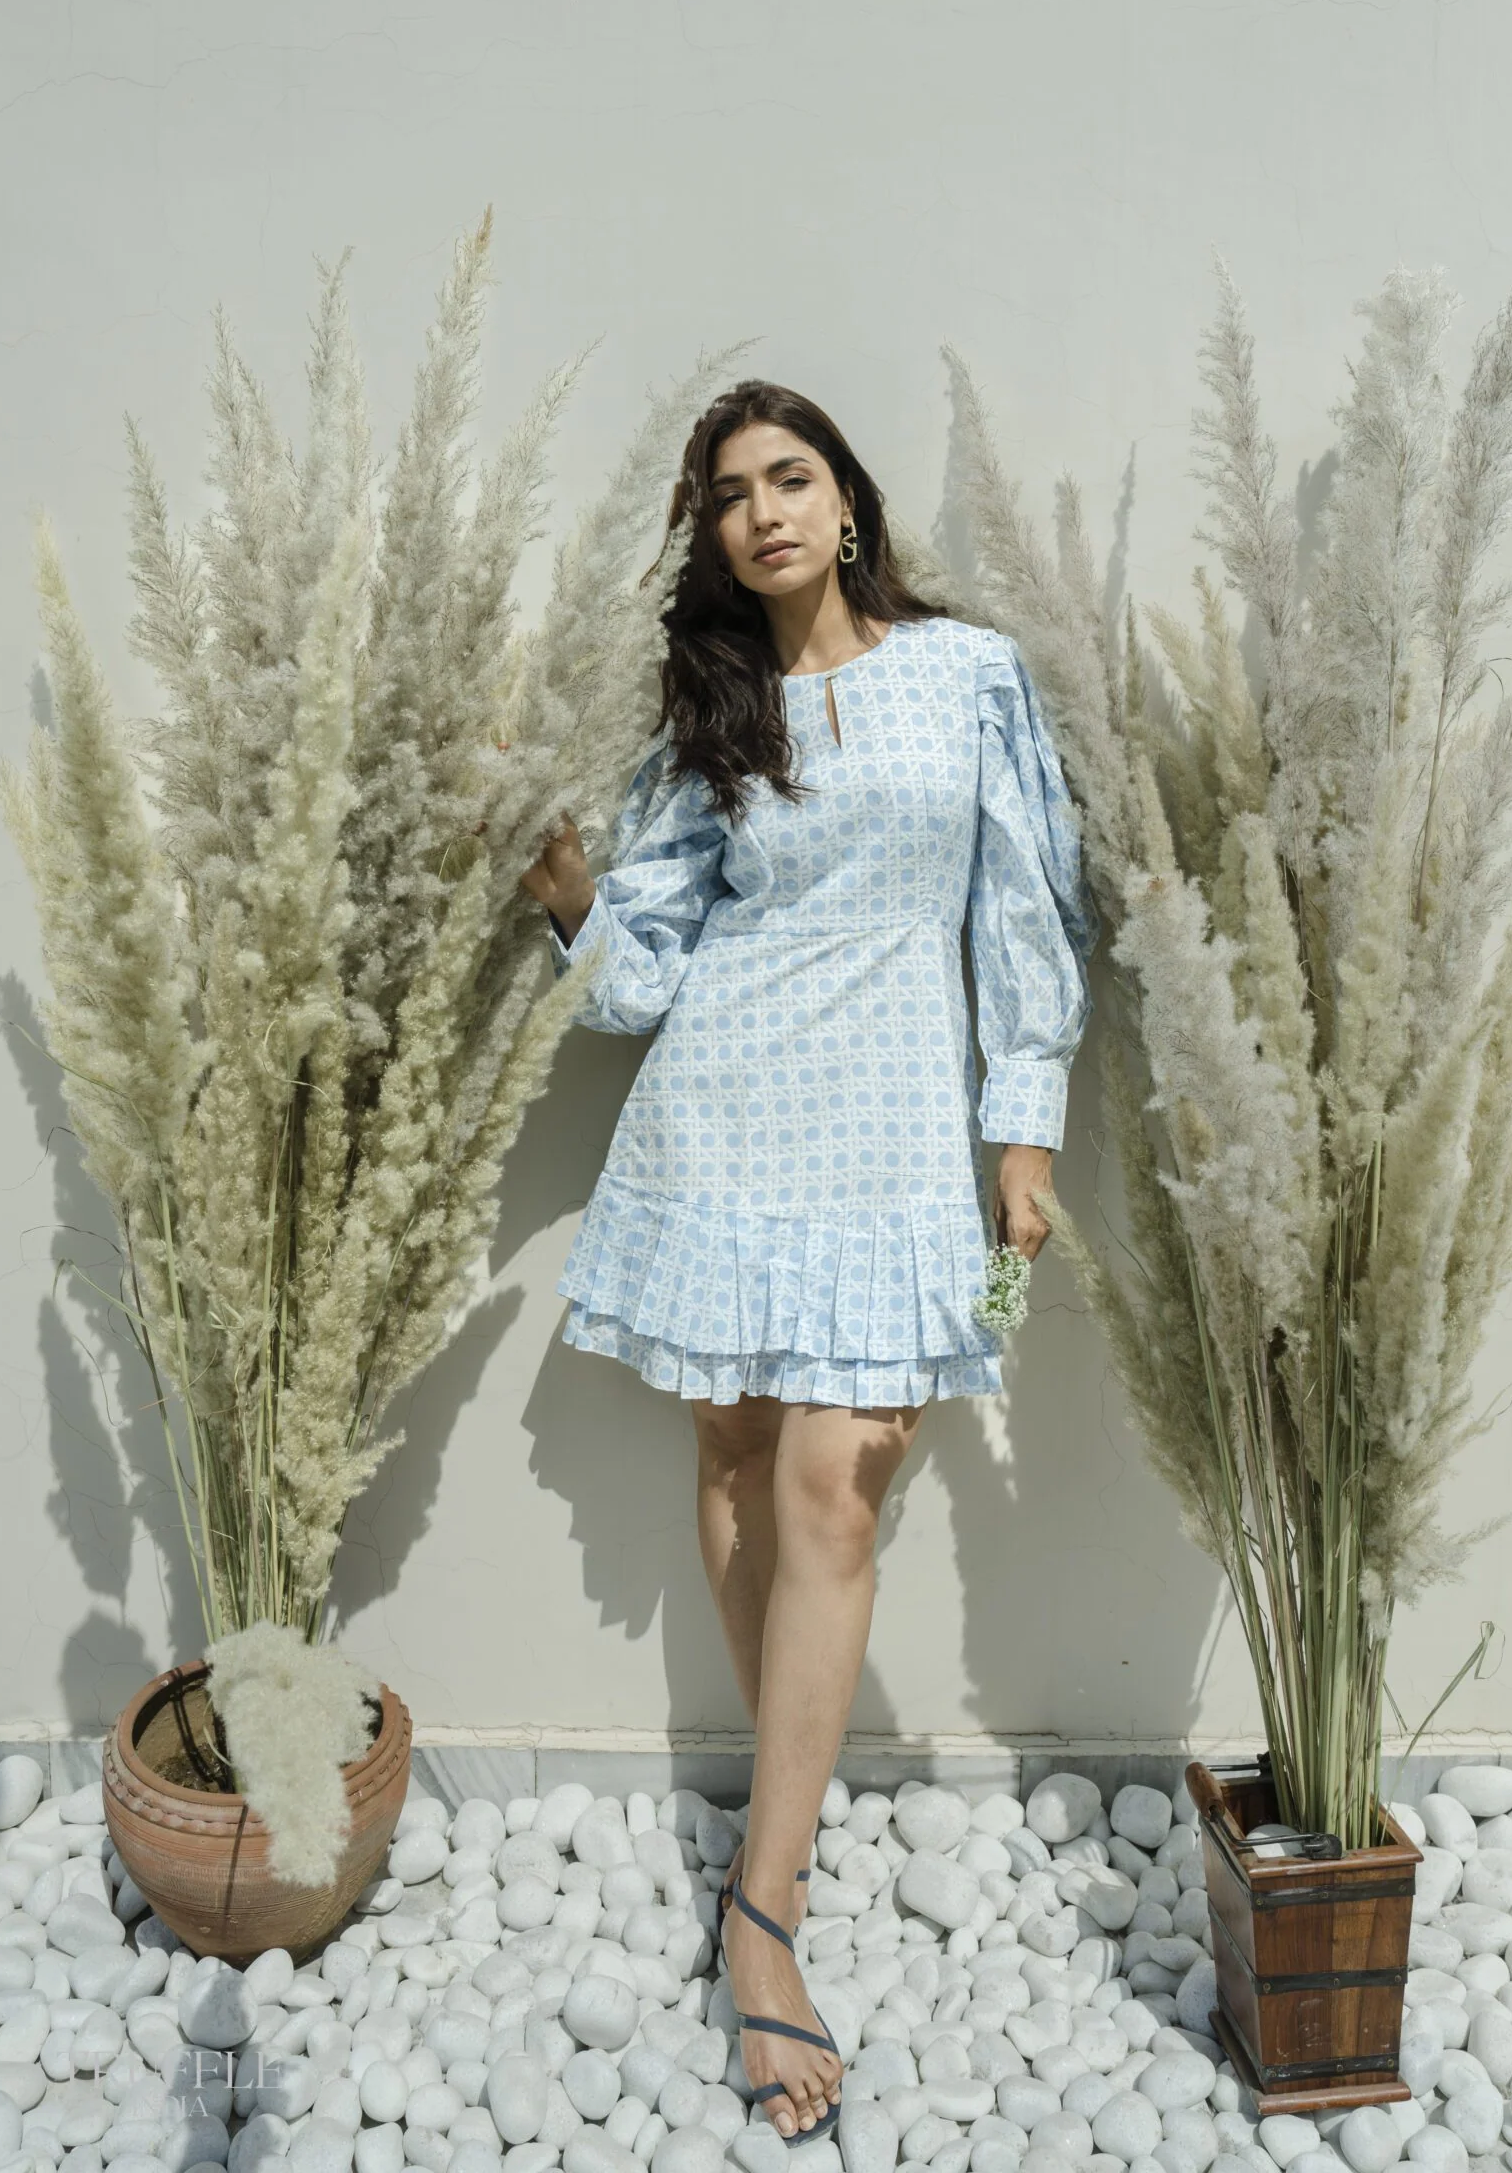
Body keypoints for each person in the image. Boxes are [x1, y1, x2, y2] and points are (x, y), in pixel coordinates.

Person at [520, 380, 1096, 2145]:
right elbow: (640, 985)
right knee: (732, 1452)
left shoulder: (969, 674)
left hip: (898, 1135)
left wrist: (1021, 1134)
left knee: (839, 1483)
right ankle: (780, 1841)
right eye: (727, 493)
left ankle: (757, 1910)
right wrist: (567, 892)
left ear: (847, 504)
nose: (762, 510)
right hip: (724, 1114)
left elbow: (1022, 907)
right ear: (709, 537)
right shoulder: (714, 714)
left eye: (790, 477)